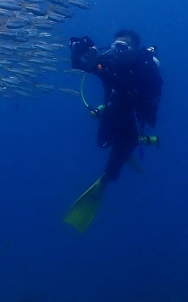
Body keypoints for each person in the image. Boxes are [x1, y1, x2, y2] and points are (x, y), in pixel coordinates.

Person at [63, 29, 163, 232]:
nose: (117, 51)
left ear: (135, 49)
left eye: (122, 47)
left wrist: (96, 67)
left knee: (112, 169)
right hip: (113, 112)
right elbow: (79, 66)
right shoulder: (112, 62)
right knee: (102, 143)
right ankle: (126, 150)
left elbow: (127, 85)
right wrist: (77, 53)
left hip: (134, 122)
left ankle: (106, 180)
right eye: (115, 46)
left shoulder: (146, 69)